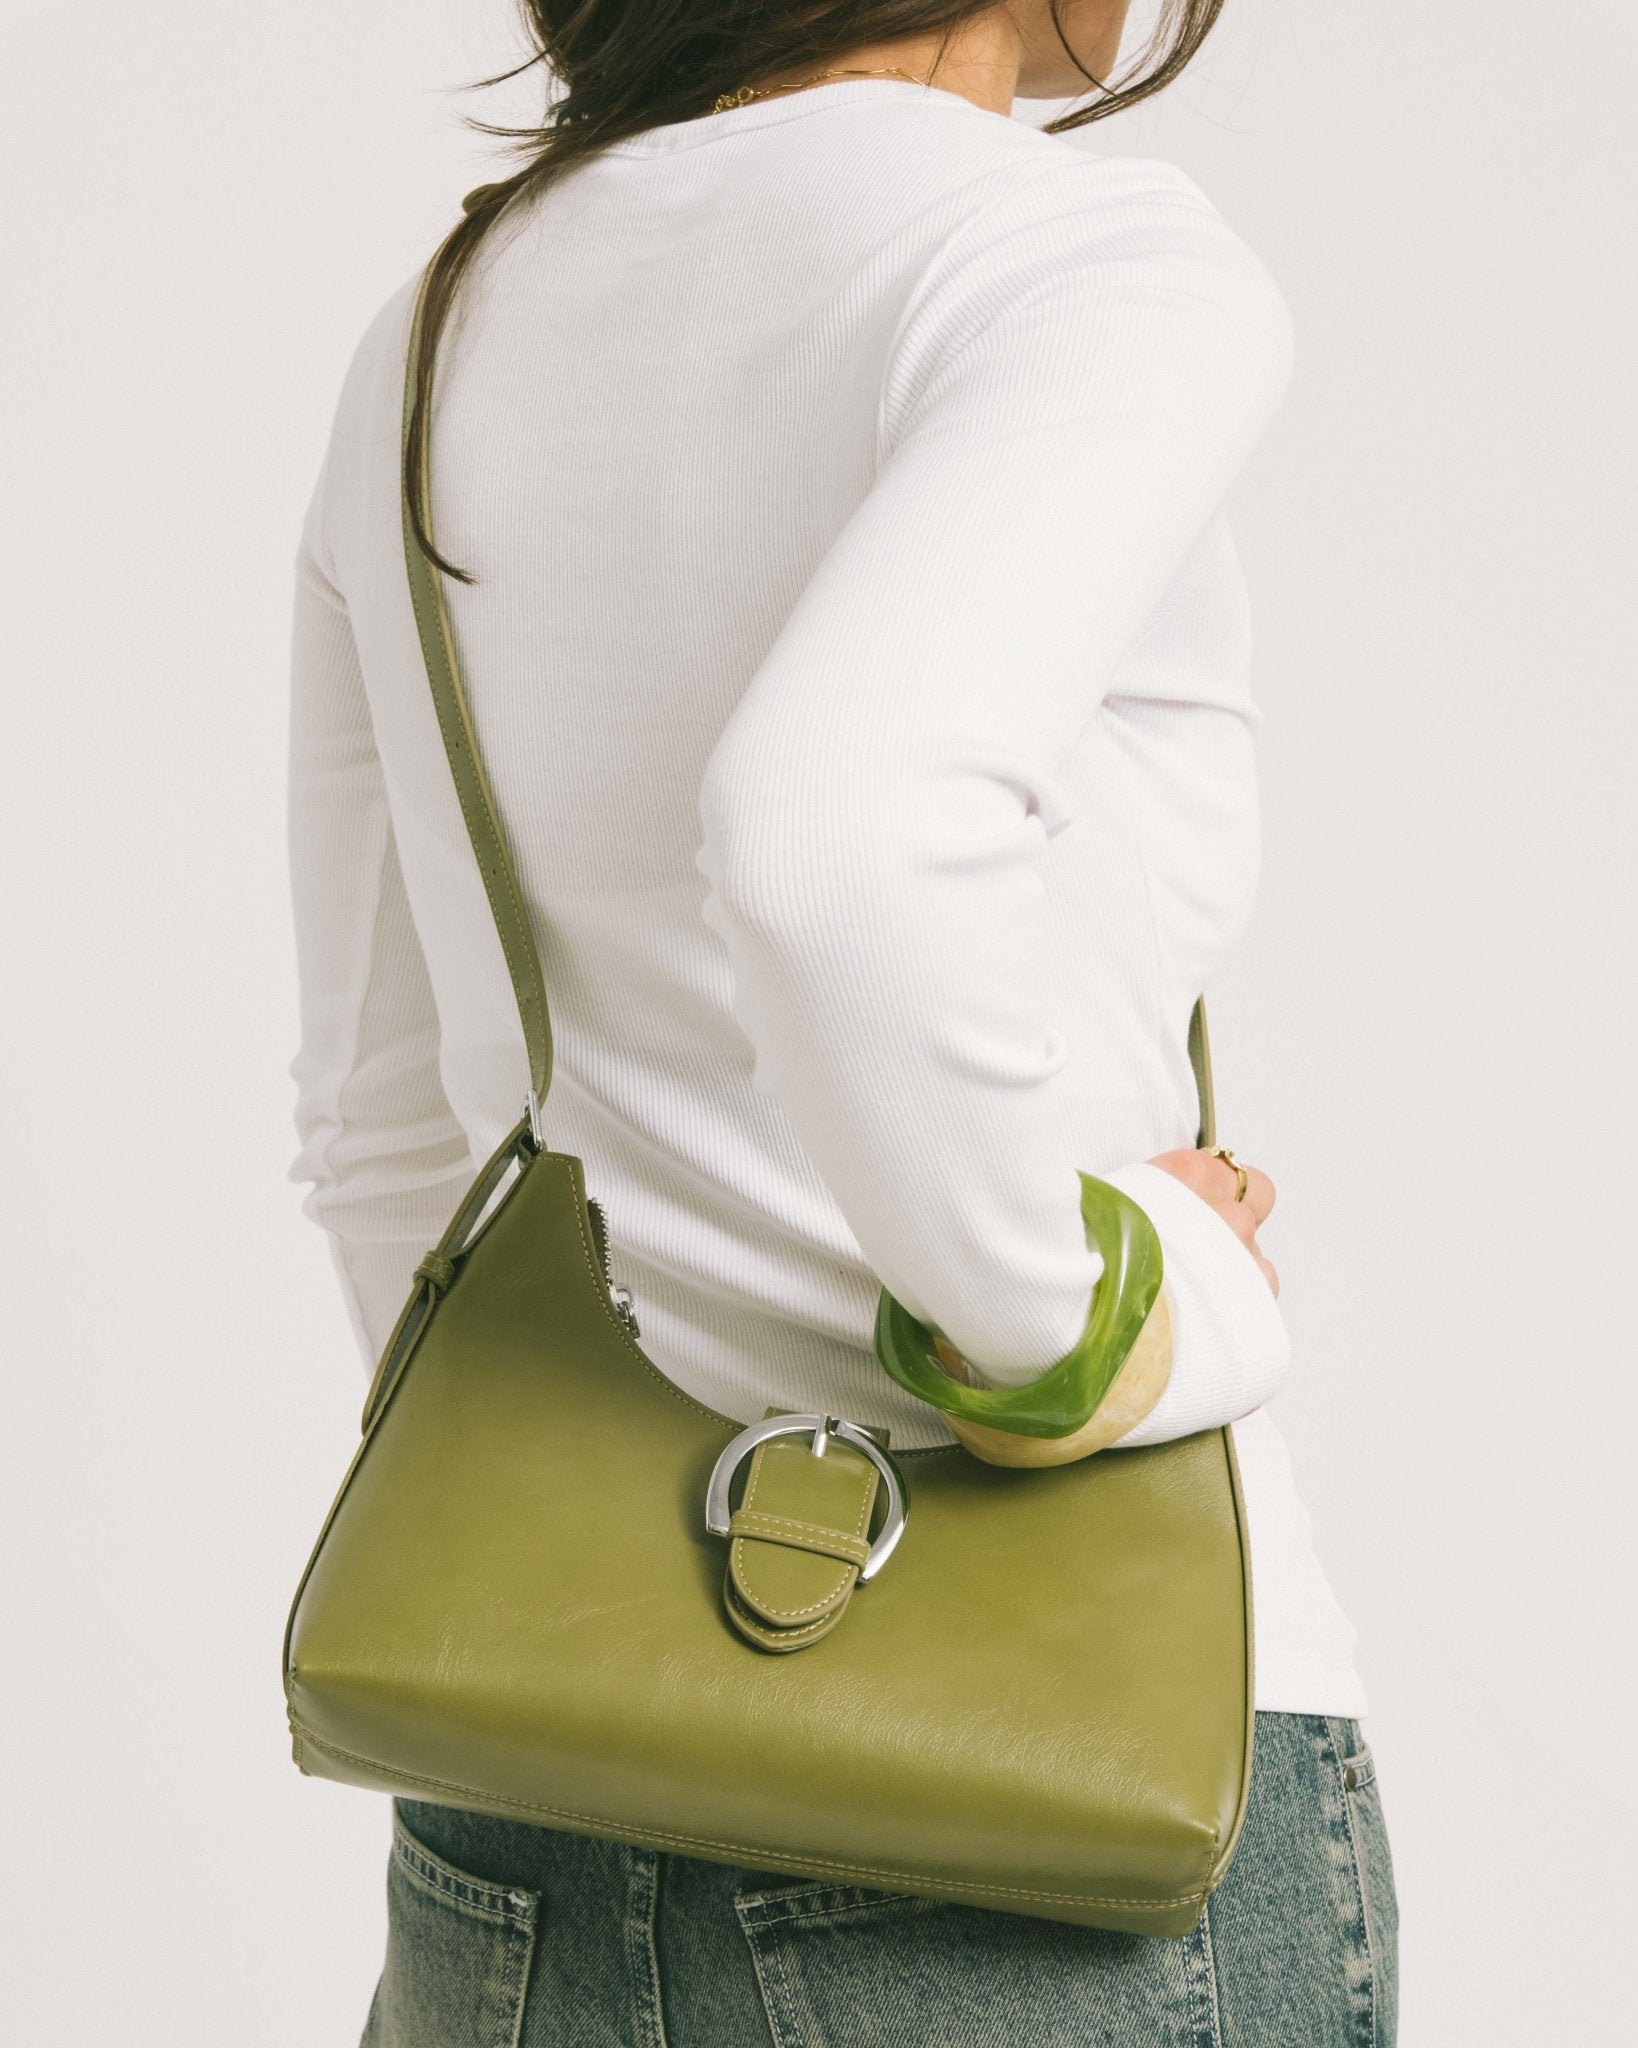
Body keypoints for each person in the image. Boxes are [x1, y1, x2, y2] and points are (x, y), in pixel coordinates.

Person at [284, 1, 1399, 2040]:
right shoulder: (1066, 259)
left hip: (518, 1809)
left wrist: (574, 1600)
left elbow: (381, 1133)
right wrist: (1091, 1315)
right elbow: (831, 838)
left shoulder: (437, 330)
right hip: (1034, 1819)